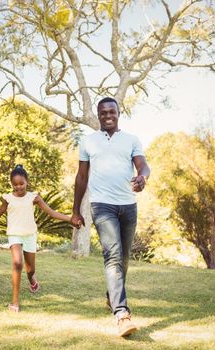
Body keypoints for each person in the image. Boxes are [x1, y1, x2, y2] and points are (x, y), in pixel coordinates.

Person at [71, 97, 150, 337]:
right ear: (98, 114)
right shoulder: (88, 141)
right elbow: (81, 177)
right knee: (113, 255)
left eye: (111, 112)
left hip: (128, 206)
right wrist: (76, 210)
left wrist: (143, 178)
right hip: (102, 206)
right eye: (103, 112)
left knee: (123, 259)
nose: (107, 115)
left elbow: (143, 166)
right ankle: (122, 314)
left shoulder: (132, 140)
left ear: (118, 113)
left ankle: (111, 295)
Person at [0, 165, 76, 313]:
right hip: (14, 234)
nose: (18, 187)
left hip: (30, 236)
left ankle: (32, 278)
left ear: (27, 182)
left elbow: (51, 213)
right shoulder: (8, 198)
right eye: (15, 184)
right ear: (11, 184)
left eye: (21, 184)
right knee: (18, 263)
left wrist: (70, 219)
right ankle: (15, 302)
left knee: (31, 269)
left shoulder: (34, 198)